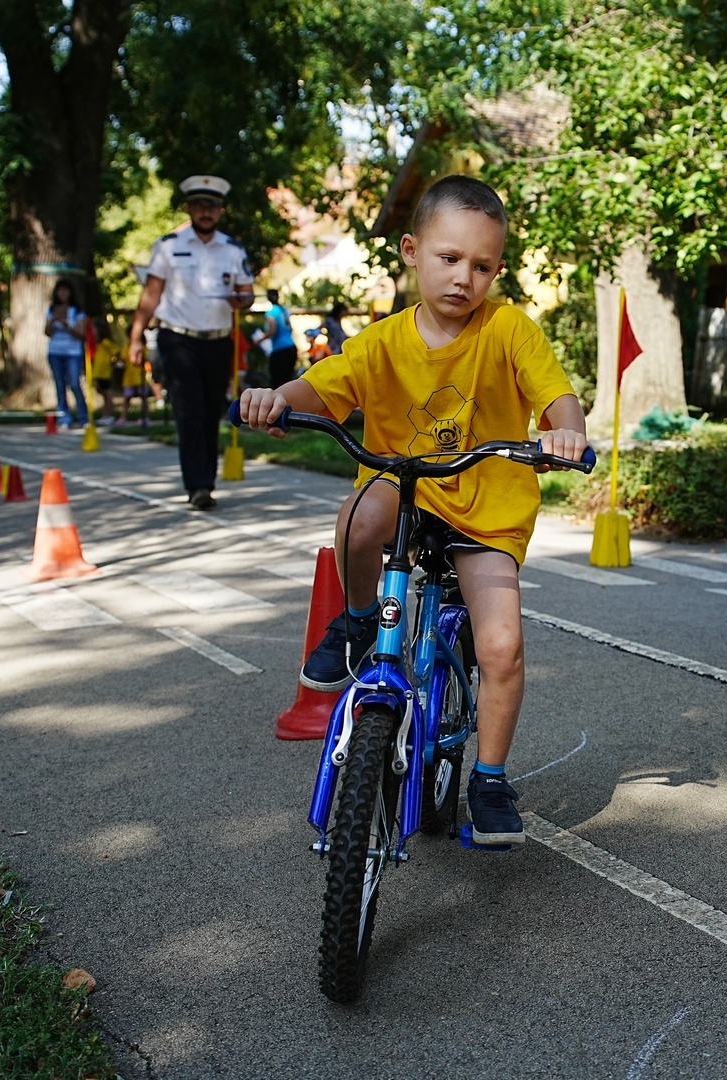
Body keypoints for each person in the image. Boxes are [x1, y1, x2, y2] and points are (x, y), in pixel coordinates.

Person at [237, 175, 587, 846]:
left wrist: (565, 433)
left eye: (481, 266)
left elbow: (556, 396)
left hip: (486, 505)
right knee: (357, 517)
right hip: (405, 489)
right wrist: (276, 400)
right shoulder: (383, 341)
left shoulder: (509, 329)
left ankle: (489, 778)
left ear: (497, 272)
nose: (463, 277)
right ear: (411, 251)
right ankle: (360, 619)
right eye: (449, 258)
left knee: (502, 646)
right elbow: (320, 388)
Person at [127, 175, 254, 510]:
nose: (205, 212)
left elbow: (246, 293)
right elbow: (150, 294)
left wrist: (242, 300)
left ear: (220, 210)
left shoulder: (232, 249)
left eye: (211, 206)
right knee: (189, 412)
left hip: (217, 340)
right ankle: (198, 485)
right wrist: (136, 336)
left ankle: (205, 480)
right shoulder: (168, 246)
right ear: (189, 208)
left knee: (211, 412)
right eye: (199, 205)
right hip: (178, 339)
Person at [44, 281, 88, 428]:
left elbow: (81, 334)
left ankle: (83, 417)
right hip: (55, 351)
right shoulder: (52, 310)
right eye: (60, 290)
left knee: (74, 383)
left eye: (65, 290)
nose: (62, 294)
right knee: (59, 384)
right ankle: (64, 417)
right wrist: (53, 320)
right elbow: (47, 332)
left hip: (73, 352)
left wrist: (67, 325)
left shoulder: (77, 311)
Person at [254, 288, 298, 387]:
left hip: (280, 349)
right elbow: (290, 328)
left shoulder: (272, 312)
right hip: (291, 346)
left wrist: (260, 340)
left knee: (277, 381)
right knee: (288, 380)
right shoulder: (285, 310)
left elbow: (272, 329)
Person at [88, 316, 123, 421]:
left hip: (104, 373)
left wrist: (113, 362)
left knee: (108, 394)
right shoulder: (98, 344)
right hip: (99, 373)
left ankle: (109, 415)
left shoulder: (106, 342)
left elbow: (117, 352)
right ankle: (105, 415)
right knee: (104, 394)